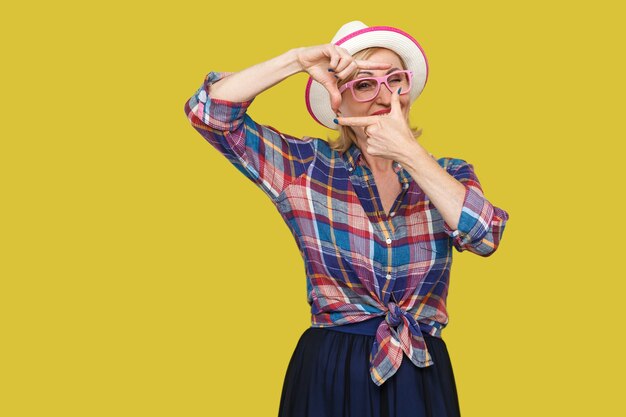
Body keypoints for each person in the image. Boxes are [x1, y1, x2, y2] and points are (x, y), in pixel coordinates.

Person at [184, 20, 509, 417]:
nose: (385, 95)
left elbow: (485, 235)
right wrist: (296, 60)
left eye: (395, 80)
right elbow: (209, 113)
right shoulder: (307, 167)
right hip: (332, 372)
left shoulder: (449, 174)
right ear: (339, 99)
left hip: (420, 372)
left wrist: (409, 154)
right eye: (365, 83)